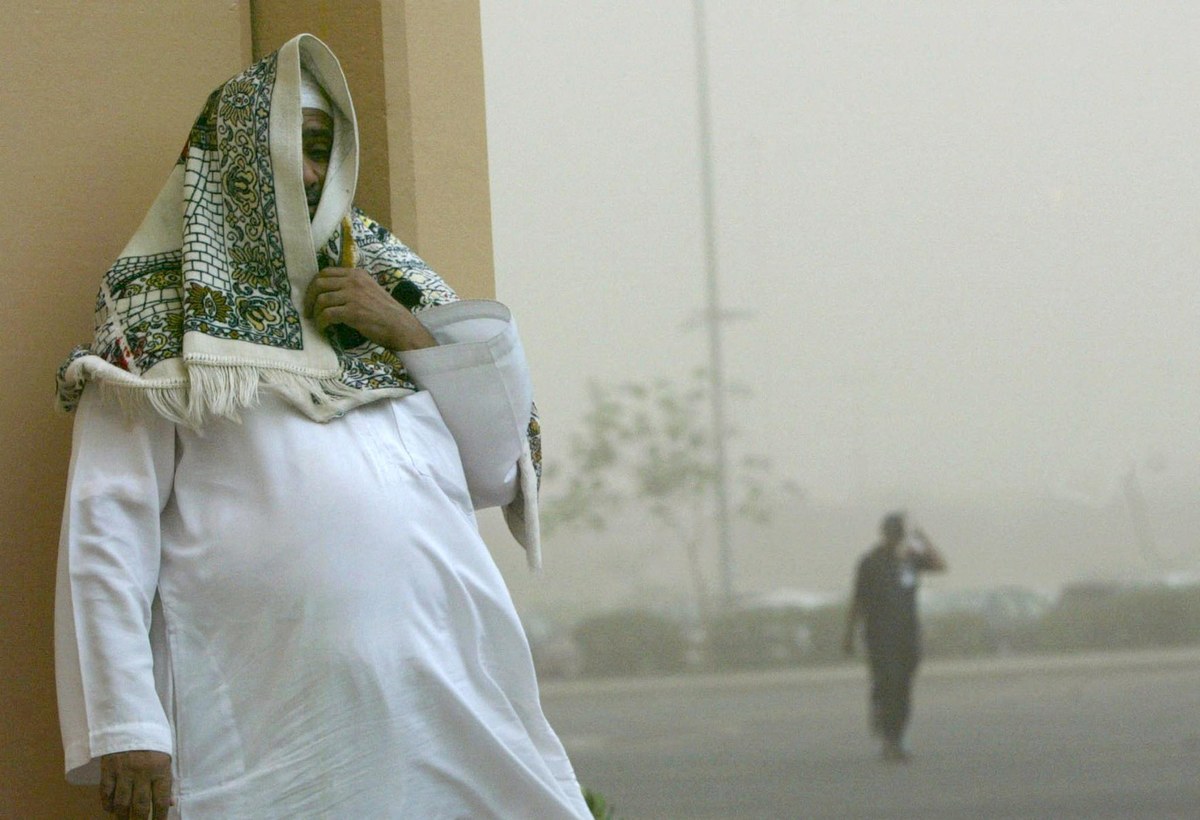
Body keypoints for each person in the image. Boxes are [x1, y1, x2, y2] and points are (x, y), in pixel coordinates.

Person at [54, 34, 591, 818]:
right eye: (289, 146)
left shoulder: (394, 291)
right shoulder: (159, 315)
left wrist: (406, 333)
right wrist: (127, 725)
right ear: (236, 156)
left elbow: (498, 471)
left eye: (323, 150)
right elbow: (105, 532)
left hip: (444, 699)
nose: (311, 173)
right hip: (265, 712)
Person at [842, 512, 947, 762]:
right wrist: (848, 634)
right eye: (892, 533)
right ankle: (890, 740)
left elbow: (940, 565)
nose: (895, 538)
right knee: (889, 683)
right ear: (883, 533)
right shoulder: (870, 562)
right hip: (879, 635)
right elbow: (858, 600)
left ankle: (896, 737)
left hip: (907, 634)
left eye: (900, 534)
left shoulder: (910, 559)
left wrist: (922, 538)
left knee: (903, 687)